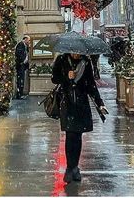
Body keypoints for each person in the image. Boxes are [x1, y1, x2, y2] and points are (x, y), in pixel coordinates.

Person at [52, 53, 108, 184]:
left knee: (78, 135)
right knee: (70, 135)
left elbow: (91, 85)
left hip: (81, 104)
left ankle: (74, 167)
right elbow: (54, 78)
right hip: (67, 103)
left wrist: (100, 103)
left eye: (78, 52)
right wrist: (67, 77)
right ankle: (70, 168)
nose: (76, 54)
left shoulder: (86, 62)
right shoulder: (62, 59)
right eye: (74, 52)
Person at [15, 35, 30, 99]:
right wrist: (23, 60)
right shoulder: (20, 44)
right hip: (21, 65)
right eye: (29, 40)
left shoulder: (25, 45)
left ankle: (21, 94)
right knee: (20, 79)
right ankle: (19, 95)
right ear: (25, 39)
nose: (29, 42)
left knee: (22, 79)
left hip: (23, 65)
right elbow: (18, 54)